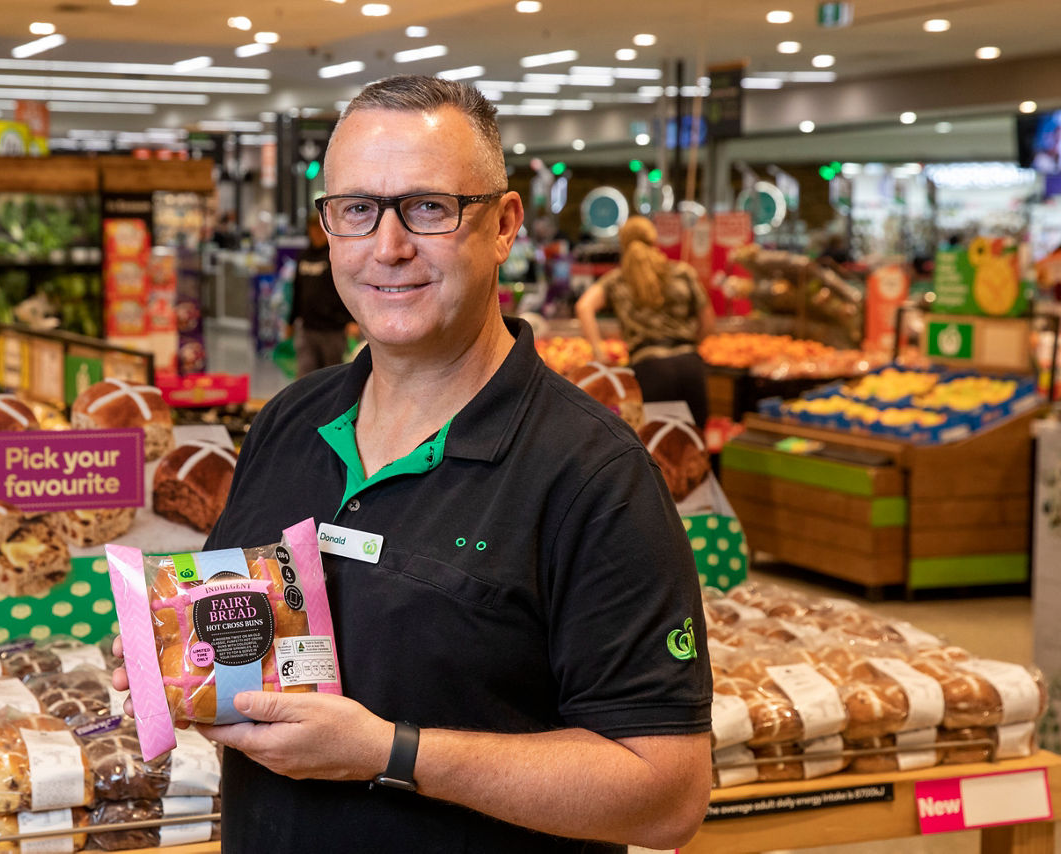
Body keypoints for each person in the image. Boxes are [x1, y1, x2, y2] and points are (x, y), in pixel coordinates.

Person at [115, 75, 711, 853]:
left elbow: (665, 793)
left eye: (428, 207)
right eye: (356, 209)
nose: (387, 247)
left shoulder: (593, 476)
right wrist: (176, 669)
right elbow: (244, 640)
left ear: (503, 226)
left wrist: (389, 753)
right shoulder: (290, 421)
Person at [574, 216, 715, 428]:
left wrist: (599, 353)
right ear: (654, 239)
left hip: (649, 369)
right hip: (690, 366)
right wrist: (690, 346)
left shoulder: (618, 279)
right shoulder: (682, 272)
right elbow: (707, 320)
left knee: (654, 448)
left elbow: (584, 306)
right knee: (693, 445)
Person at [287, 212, 358, 376]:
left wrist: (352, 320)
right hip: (307, 328)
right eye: (312, 229)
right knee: (305, 378)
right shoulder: (303, 256)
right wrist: (290, 322)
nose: (316, 234)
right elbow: (297, 290)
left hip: (333, 330)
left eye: (319, 230)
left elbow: (349, 289)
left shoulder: (336, 256)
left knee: (332, 378)